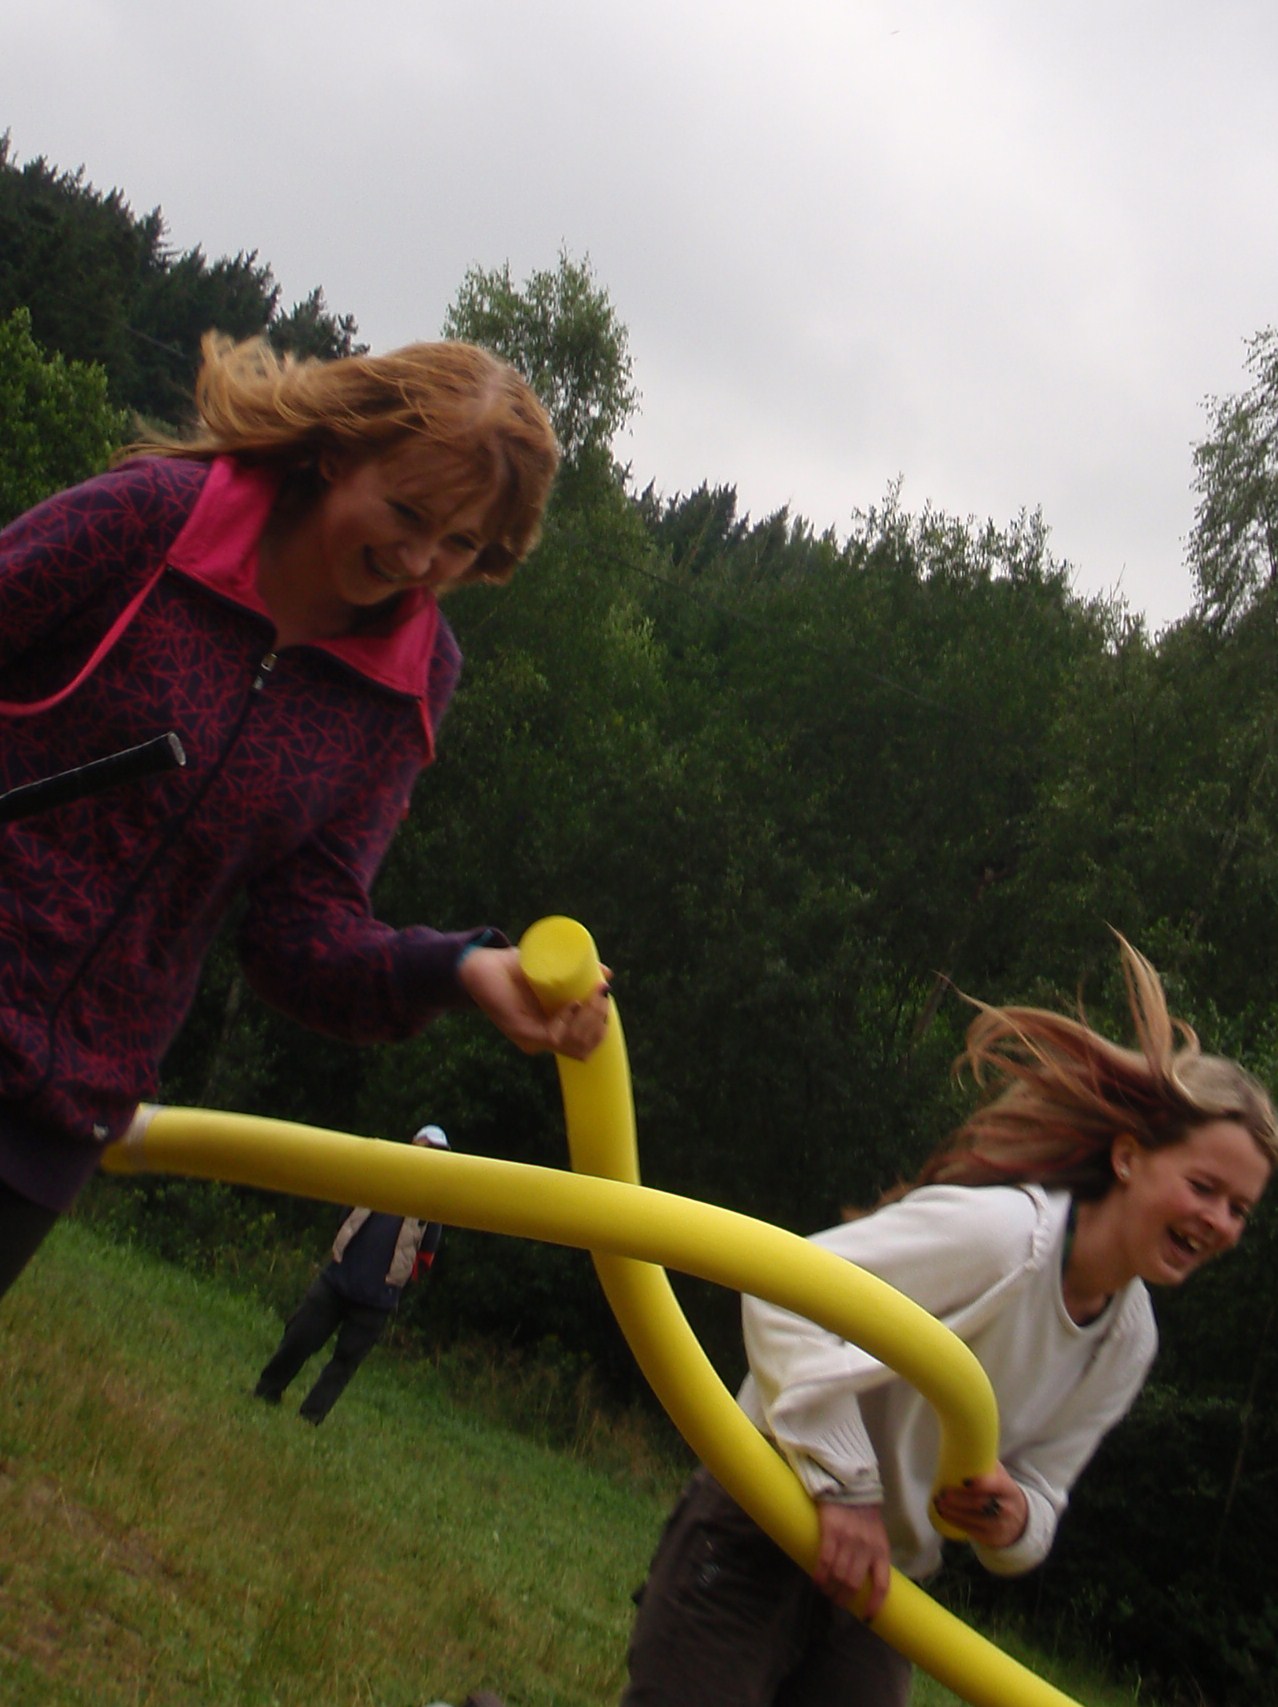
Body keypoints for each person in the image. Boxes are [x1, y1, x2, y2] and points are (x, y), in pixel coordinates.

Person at [0, 332, 610, 1300]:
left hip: (49, 1119)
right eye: (406, 511)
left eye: (460, 543)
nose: (419, 559)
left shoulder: (415, 677)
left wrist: (458, 968)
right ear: (338, 453)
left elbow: (300, 938)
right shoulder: (155, 519)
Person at [620, 937, 1276, 1707]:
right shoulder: (1005, 1238)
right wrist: (847, 1485)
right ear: (1129, 1157)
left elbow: (1045, 1490)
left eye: (1240, 1208)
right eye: (1203, 1186)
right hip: (767, 1510)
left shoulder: (1130, 1339)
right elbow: (783, 1289)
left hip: (878, 1579)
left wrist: (1011, 1516)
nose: (1218, 1221)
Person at [255, 1123, 451, 1423]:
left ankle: (310, 1417)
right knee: (299, 1336)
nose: (432, 1154)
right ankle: (267, 1391)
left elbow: (427, 1255)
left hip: (378, 1299)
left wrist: (396, 1280)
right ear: (414, 1143)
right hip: (337, 1279)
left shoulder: (432, 1202)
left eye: (439, 1151)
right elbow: (346, 1213)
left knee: (345, 1362)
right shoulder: (380, 1173)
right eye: (429, 1146)